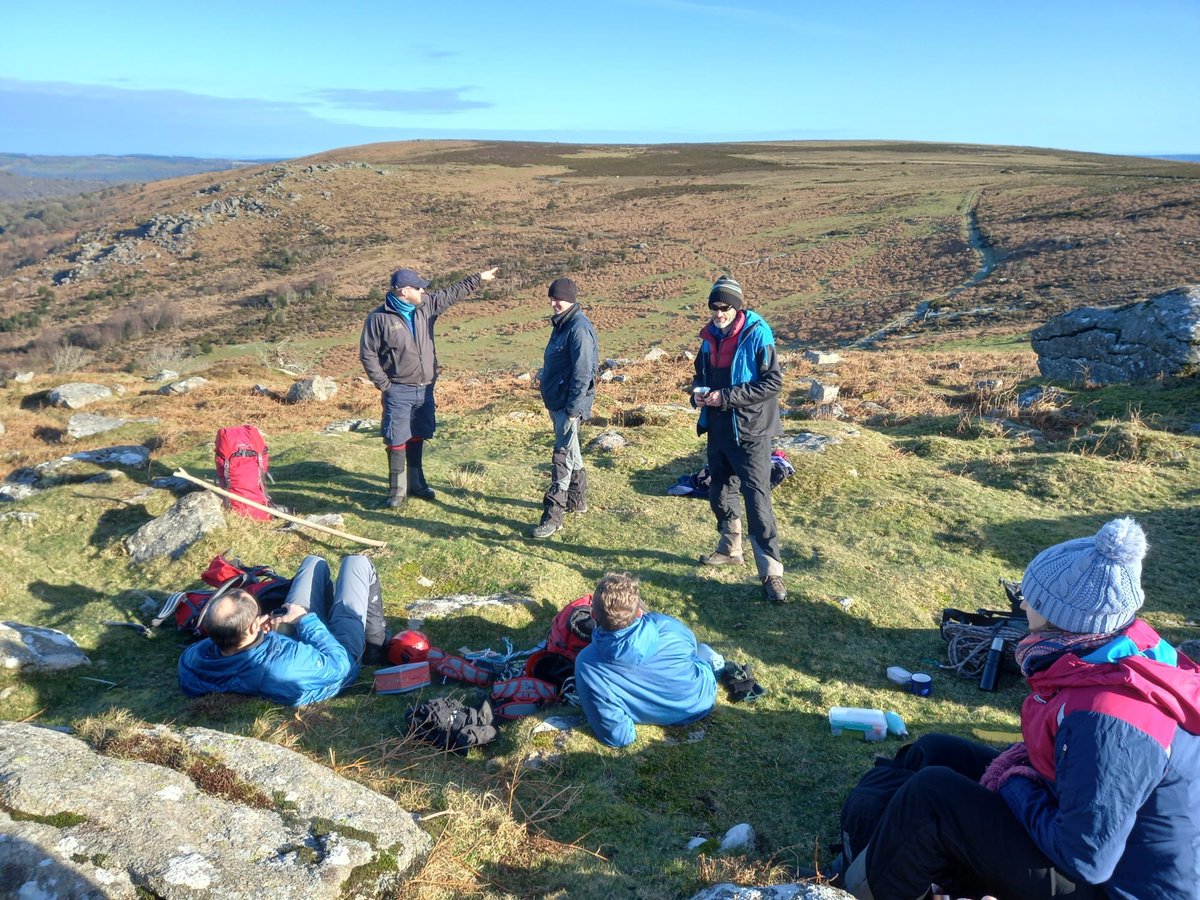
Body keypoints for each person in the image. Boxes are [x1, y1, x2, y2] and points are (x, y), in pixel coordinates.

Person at [841, 518, 1200, 900]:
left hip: (1114, 888)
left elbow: (1087, 858)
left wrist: (1014, 782)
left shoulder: (1109, 719)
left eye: (1033, 599)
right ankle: (879, 860)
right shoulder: (1114, 650)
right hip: (1097, 845)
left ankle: (858, 893)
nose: (1024, 603)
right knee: (936, 751)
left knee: (934, 797)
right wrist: (1019, 778)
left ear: (1063, 618)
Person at [360, 264, 499, 507]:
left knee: (418, 434)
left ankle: (417, 484)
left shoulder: (426, 306)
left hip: (425, 389)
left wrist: (478, 278)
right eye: (418, 288)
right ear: (404, 291)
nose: (423, 291)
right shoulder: (378, 318)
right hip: (398, 389)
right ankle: (397, 492)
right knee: (396, 438)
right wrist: (384, 385)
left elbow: (452, 293)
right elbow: (368, 354)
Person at [178, 555, 389, 707]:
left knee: (312, 562)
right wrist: (304, 620)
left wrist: (261, 637)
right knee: (356, 563)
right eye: (258, 614)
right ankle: (373, 649)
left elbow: (230, 649)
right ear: (252, 627)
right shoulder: (283, 666)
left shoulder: (195, 660)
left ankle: (322, 613)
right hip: (338, 661)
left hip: (286, 650)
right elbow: (338, 666)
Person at [692, 274, 787, 603]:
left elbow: (773, 382)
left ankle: (771, 573)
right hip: (719, 427)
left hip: (751, 430)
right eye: (714, 308)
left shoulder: (758, 334)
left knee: (757, 500)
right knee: (719, 492)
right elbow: (700, 375)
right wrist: (698, 395)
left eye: (724, 308)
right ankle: (730, 549)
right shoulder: (708, 338)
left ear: (737, 308)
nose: (718, 314)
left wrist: (727, 397)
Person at [573, 572, 718, 748]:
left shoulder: (586, 663)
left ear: (593, 615)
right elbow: (691, 651)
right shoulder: (667, 625)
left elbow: (619, 736)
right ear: (639, 612)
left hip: (691, 703)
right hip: (702, 699)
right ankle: (714, 660)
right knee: (700, 652)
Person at [532, 277, 599, 539]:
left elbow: (583, 373)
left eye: (557, 298)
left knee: (562, 457)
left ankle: (553, 516)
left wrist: (573, 409)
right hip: (558, 400)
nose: (553, 303)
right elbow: (562, 363)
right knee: (572, 450)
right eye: (551, 298)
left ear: (570, 299)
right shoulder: (563, 323)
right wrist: (544, 374)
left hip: (567, 404)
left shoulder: (577, 328)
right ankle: (576, 500)